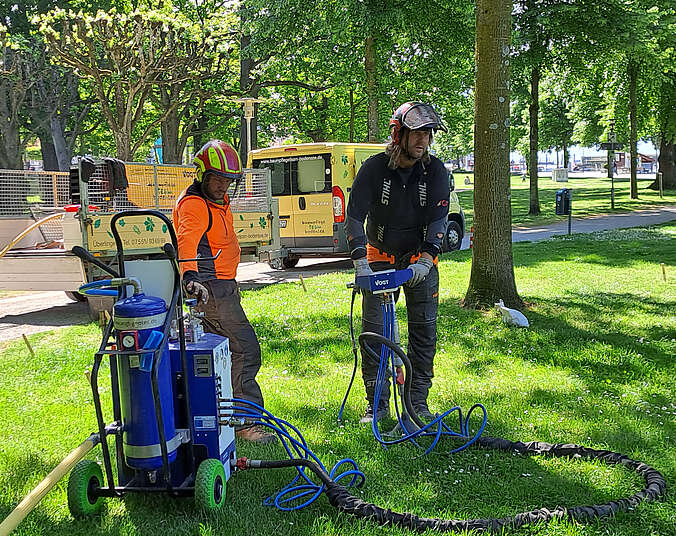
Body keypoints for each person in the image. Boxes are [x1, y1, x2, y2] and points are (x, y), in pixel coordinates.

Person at [345, 102, 450, 423]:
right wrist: (360, 260)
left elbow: (439, 222)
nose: (423, 140)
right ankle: (376, 404)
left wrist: (427, 261)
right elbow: (352, 217)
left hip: (420, 259)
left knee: (424, 334)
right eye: (417, 133)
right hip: (379, 258)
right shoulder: (374, 168)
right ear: (398, 134)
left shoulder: (436, 172)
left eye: (428, 134)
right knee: (375, 335)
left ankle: (417, 403)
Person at [173, 140, 276, 444]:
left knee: (220, 357)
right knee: (245, 350)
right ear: (201, 175)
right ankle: (246, 423)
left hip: (221, 287)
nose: (221, 186)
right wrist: (191, 276)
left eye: (227, 180)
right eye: (216, 178)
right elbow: (187, 241)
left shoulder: (215, 200)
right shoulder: (195, 203)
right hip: (212, 290)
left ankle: (220, 416)